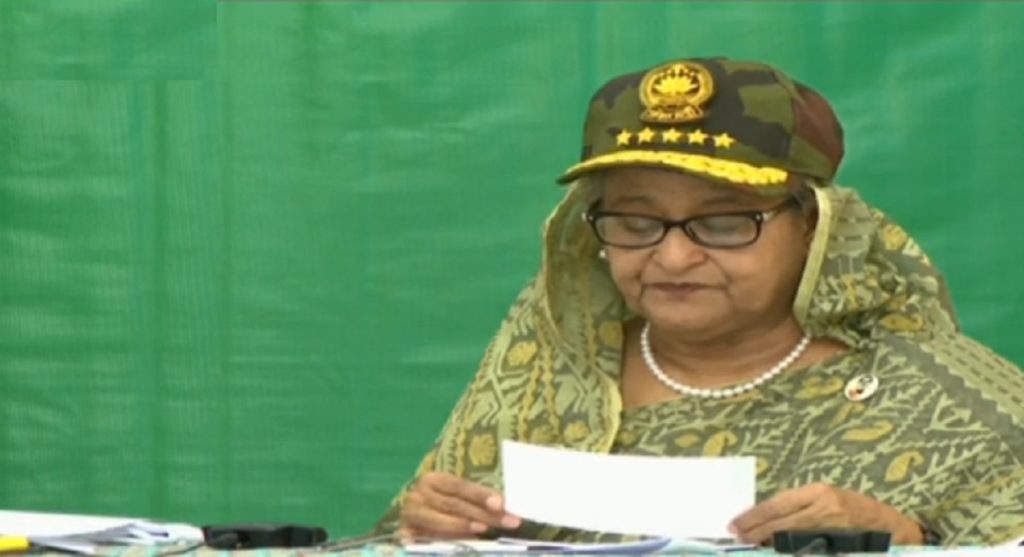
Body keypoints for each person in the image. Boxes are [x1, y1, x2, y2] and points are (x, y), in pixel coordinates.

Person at [374, 57, 1024, 546]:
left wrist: (908, 541)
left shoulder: (946, 396)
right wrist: (423, 532)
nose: (674, 257)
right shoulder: (547, 374)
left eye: (723, 223)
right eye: (635, 221)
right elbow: (406, 537)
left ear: (815, 228)